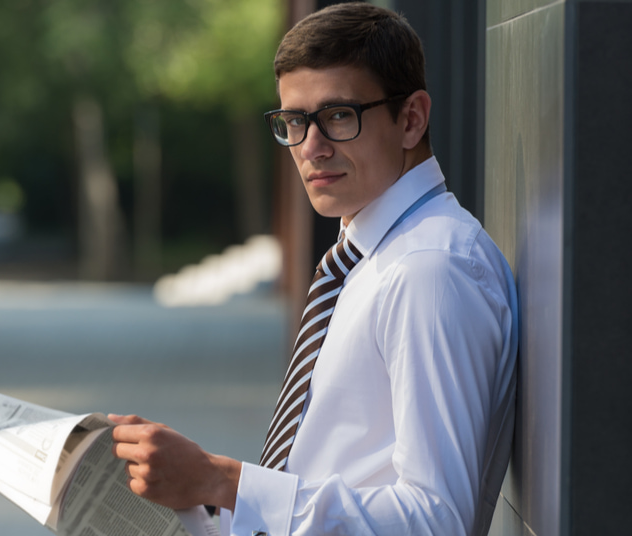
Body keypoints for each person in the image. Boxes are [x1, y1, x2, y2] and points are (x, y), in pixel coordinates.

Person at [109, 3, 518, 535]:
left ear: (412, 118)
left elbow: (436, 521)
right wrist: (203, 496)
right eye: (294, 122)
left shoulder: (429, 272)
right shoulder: (369, 258)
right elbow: (340, 471)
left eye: (338, 116)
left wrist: (221, 480)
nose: (311, 148)